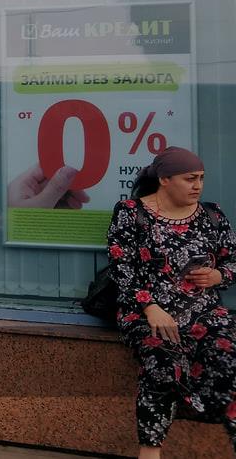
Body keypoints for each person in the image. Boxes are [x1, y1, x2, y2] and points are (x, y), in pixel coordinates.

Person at [107, 147, 236, 458]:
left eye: (201, 178)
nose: (197, 186)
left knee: (231, 360)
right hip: (148, 313)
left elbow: (232, 261)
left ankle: (196, 404)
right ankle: (150, 452)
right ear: (164, 179)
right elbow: (121, 267)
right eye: (190, 179)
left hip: (205, 313)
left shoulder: (212, 215)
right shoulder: (131, 212)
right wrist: (150, 307)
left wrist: (217, 276)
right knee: (164, 365)